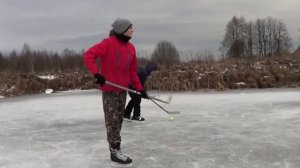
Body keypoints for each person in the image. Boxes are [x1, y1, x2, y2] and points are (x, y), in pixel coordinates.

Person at [83, 18, 149, 167]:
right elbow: (88, 56)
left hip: (123, 90)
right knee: (112, 121)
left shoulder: (131, 48)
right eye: (130, 28)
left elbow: (132, 71)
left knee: (118, 120)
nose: (133, 30)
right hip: (109, 90)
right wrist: (97, 74)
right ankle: (115, 151)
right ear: (122, 29)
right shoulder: (108, 43)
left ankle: (115, 147)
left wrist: (140, 89)